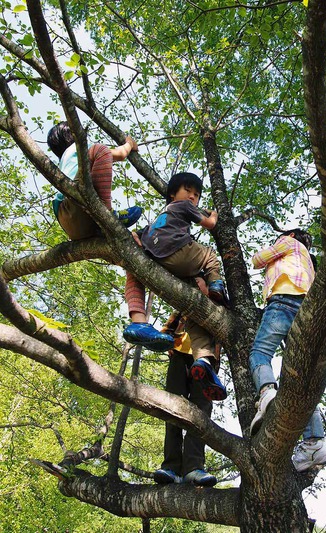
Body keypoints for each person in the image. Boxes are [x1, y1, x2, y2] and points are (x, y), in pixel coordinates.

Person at [47, 121, 174, 352]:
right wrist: (129, 144)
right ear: (72, 135)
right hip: (73, 205)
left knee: (135, 251)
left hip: (74, 223)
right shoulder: (76, 150)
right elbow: (118, 154)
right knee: (101, 150)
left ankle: (139, 323)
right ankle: (109, 216)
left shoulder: (64, 161)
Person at [123, 172, 228, 400]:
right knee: (209, 255)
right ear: (173, 194)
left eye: (196, 194)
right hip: (180, 252)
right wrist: (214, 213)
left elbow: (135, 237)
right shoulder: (182, 206)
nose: (192, 197)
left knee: (194, 312)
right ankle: (216, 284)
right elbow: (210, 224)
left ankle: (203, 360)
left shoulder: (155, 222)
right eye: (188, 191)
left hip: (160, 262)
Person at [248, 228, 326, 472]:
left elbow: (258, 260)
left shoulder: (289, 243)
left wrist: (269, 253)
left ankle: (266, 392)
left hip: (283, 302)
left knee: (260, 353)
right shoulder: (310, 264)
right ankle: (315, 442)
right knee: (301, 380)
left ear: (293, 237)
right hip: (306, 313)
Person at [153, 278, 221, 487]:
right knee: (171, 409)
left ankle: (193, 468)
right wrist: (168, 342)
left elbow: (221, 336)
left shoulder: (217, 308)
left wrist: (215, 361)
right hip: (180, 358)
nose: (199, 286)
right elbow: (166, 331)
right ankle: (171, 467)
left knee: (200, 414)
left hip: (205, 362)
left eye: (202, 283)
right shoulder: (184, 304)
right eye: (197, 282)